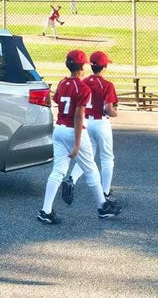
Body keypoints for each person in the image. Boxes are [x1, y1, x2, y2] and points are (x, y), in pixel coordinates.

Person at [37, 49, 122, 225]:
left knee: (58, 170)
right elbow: (78, 116)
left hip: (59, 129)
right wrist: (76, 143)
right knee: (91, 169)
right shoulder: (82, 88)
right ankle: (102, 207)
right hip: (73, 130)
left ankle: (45, 210)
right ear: (82, 67)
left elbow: (56, 100)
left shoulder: (63, 83)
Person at [61, 51, 118, 205]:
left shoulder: (83, 82)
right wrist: (115, 113)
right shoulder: (107, 84)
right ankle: (105, 192)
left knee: (88, 156)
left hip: (86, 122)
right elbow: (108, 109)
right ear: (104, 67)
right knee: (107, 158)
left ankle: (71, 179)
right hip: (101, 123)